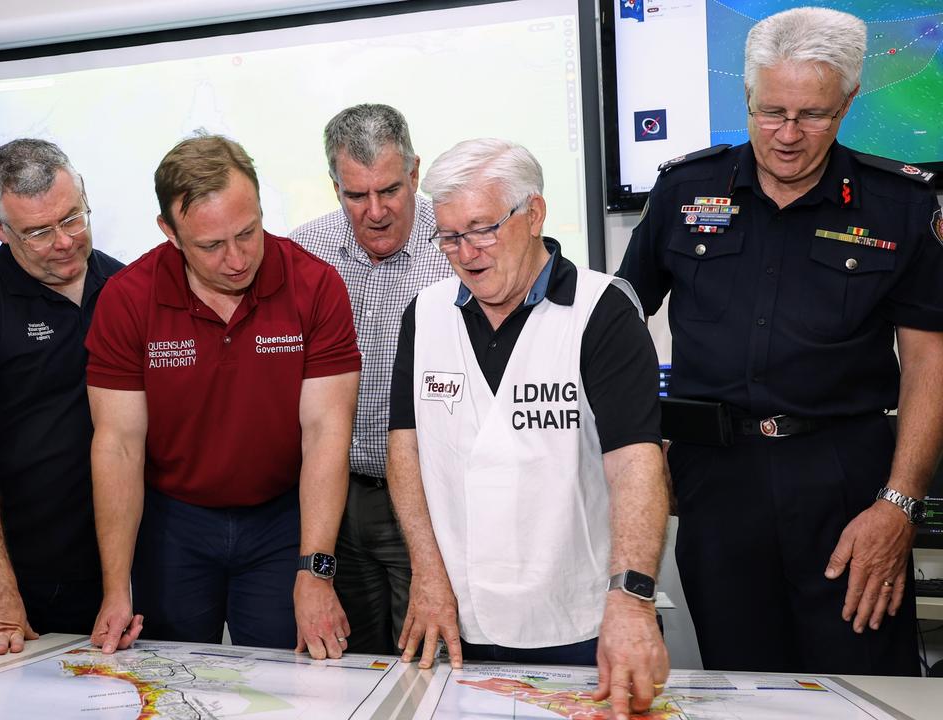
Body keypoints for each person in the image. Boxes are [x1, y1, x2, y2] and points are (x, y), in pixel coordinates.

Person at [618, 7, 943, 676]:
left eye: (813, 115)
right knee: (741, 682)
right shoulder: (685, 189)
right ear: (747, 94)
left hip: (845, 481)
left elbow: (929, 363)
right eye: (771, 111)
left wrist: (900, 503)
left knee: (864, 684)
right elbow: (615, 328)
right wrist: (645, 446)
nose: (788, 135)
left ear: (848, 103)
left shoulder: (900, 206)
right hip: (716, 479)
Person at [388, 138, 670, 719]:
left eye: (482, 229)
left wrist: (633, 600)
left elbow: (636, 465)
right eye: (448, 236)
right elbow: (406, 451)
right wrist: (426, 574)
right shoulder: (426, 312)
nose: (466, 253)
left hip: (574, 619)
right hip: (457, 617)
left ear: (534, 214)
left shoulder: (603, 310)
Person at [86, 134, 361, 659]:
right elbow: (118, 445)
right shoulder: (128, 299)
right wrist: (116, 589)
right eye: (211, 246)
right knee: (167, 678)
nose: (237, 260)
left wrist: (315, 572)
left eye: (248, 233)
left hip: (282, 521)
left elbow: (327, 433)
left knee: (298, 678)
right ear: (170, 232)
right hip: (175, 525)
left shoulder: (314, 286)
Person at [0, 139, 124, 664]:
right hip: (0, 573)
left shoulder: (126, 286)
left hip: (105, 570)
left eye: (73, 218)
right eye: (38, 232)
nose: (63, 242)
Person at [290, 104, 452, 654]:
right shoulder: (303, 253)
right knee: (345, 668)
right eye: (355, 196)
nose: (376, 211)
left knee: (428, 662)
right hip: (333, 503)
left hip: (431, 502)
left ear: (414, 173)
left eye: (390, 190)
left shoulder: (458, 248)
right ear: (333, 184)